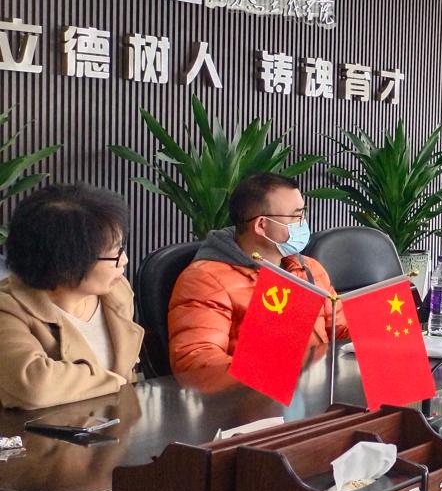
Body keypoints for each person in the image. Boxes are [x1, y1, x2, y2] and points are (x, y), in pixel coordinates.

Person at [169, 173, 346, 374]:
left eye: (303, 213)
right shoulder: (205, 280)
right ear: (261, 225)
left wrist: (372, 331)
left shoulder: (308, 268)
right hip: (253, 392)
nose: (303, 223)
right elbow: (195, 360)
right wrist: (271, 373)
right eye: (296, 216)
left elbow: (339, 330)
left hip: (321, 386)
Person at [0, 185, 143, 409]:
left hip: (118, 425)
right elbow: (34, 385)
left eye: (121, 247)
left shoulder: (116, 293)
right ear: (67, 262)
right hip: (44, 432)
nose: (124, 260)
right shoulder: (8, 309)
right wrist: (115, 381)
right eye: (114, 252)